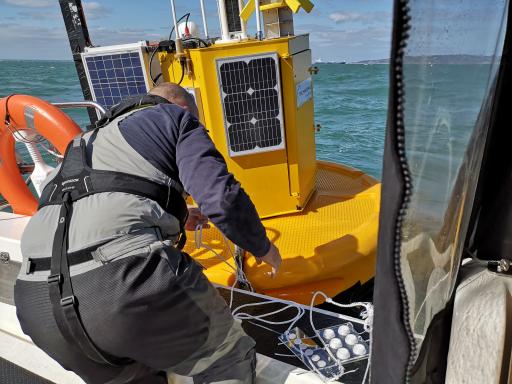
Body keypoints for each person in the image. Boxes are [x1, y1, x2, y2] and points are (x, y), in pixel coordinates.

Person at [14, 83, 282, 384]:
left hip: (38, 308)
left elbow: (100, 200)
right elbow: (221, 199)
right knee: (225, 357)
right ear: (181, 108)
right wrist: (263, 248)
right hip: (125, 287)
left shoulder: (80, 145)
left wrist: (180, 215)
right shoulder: (174, 118)